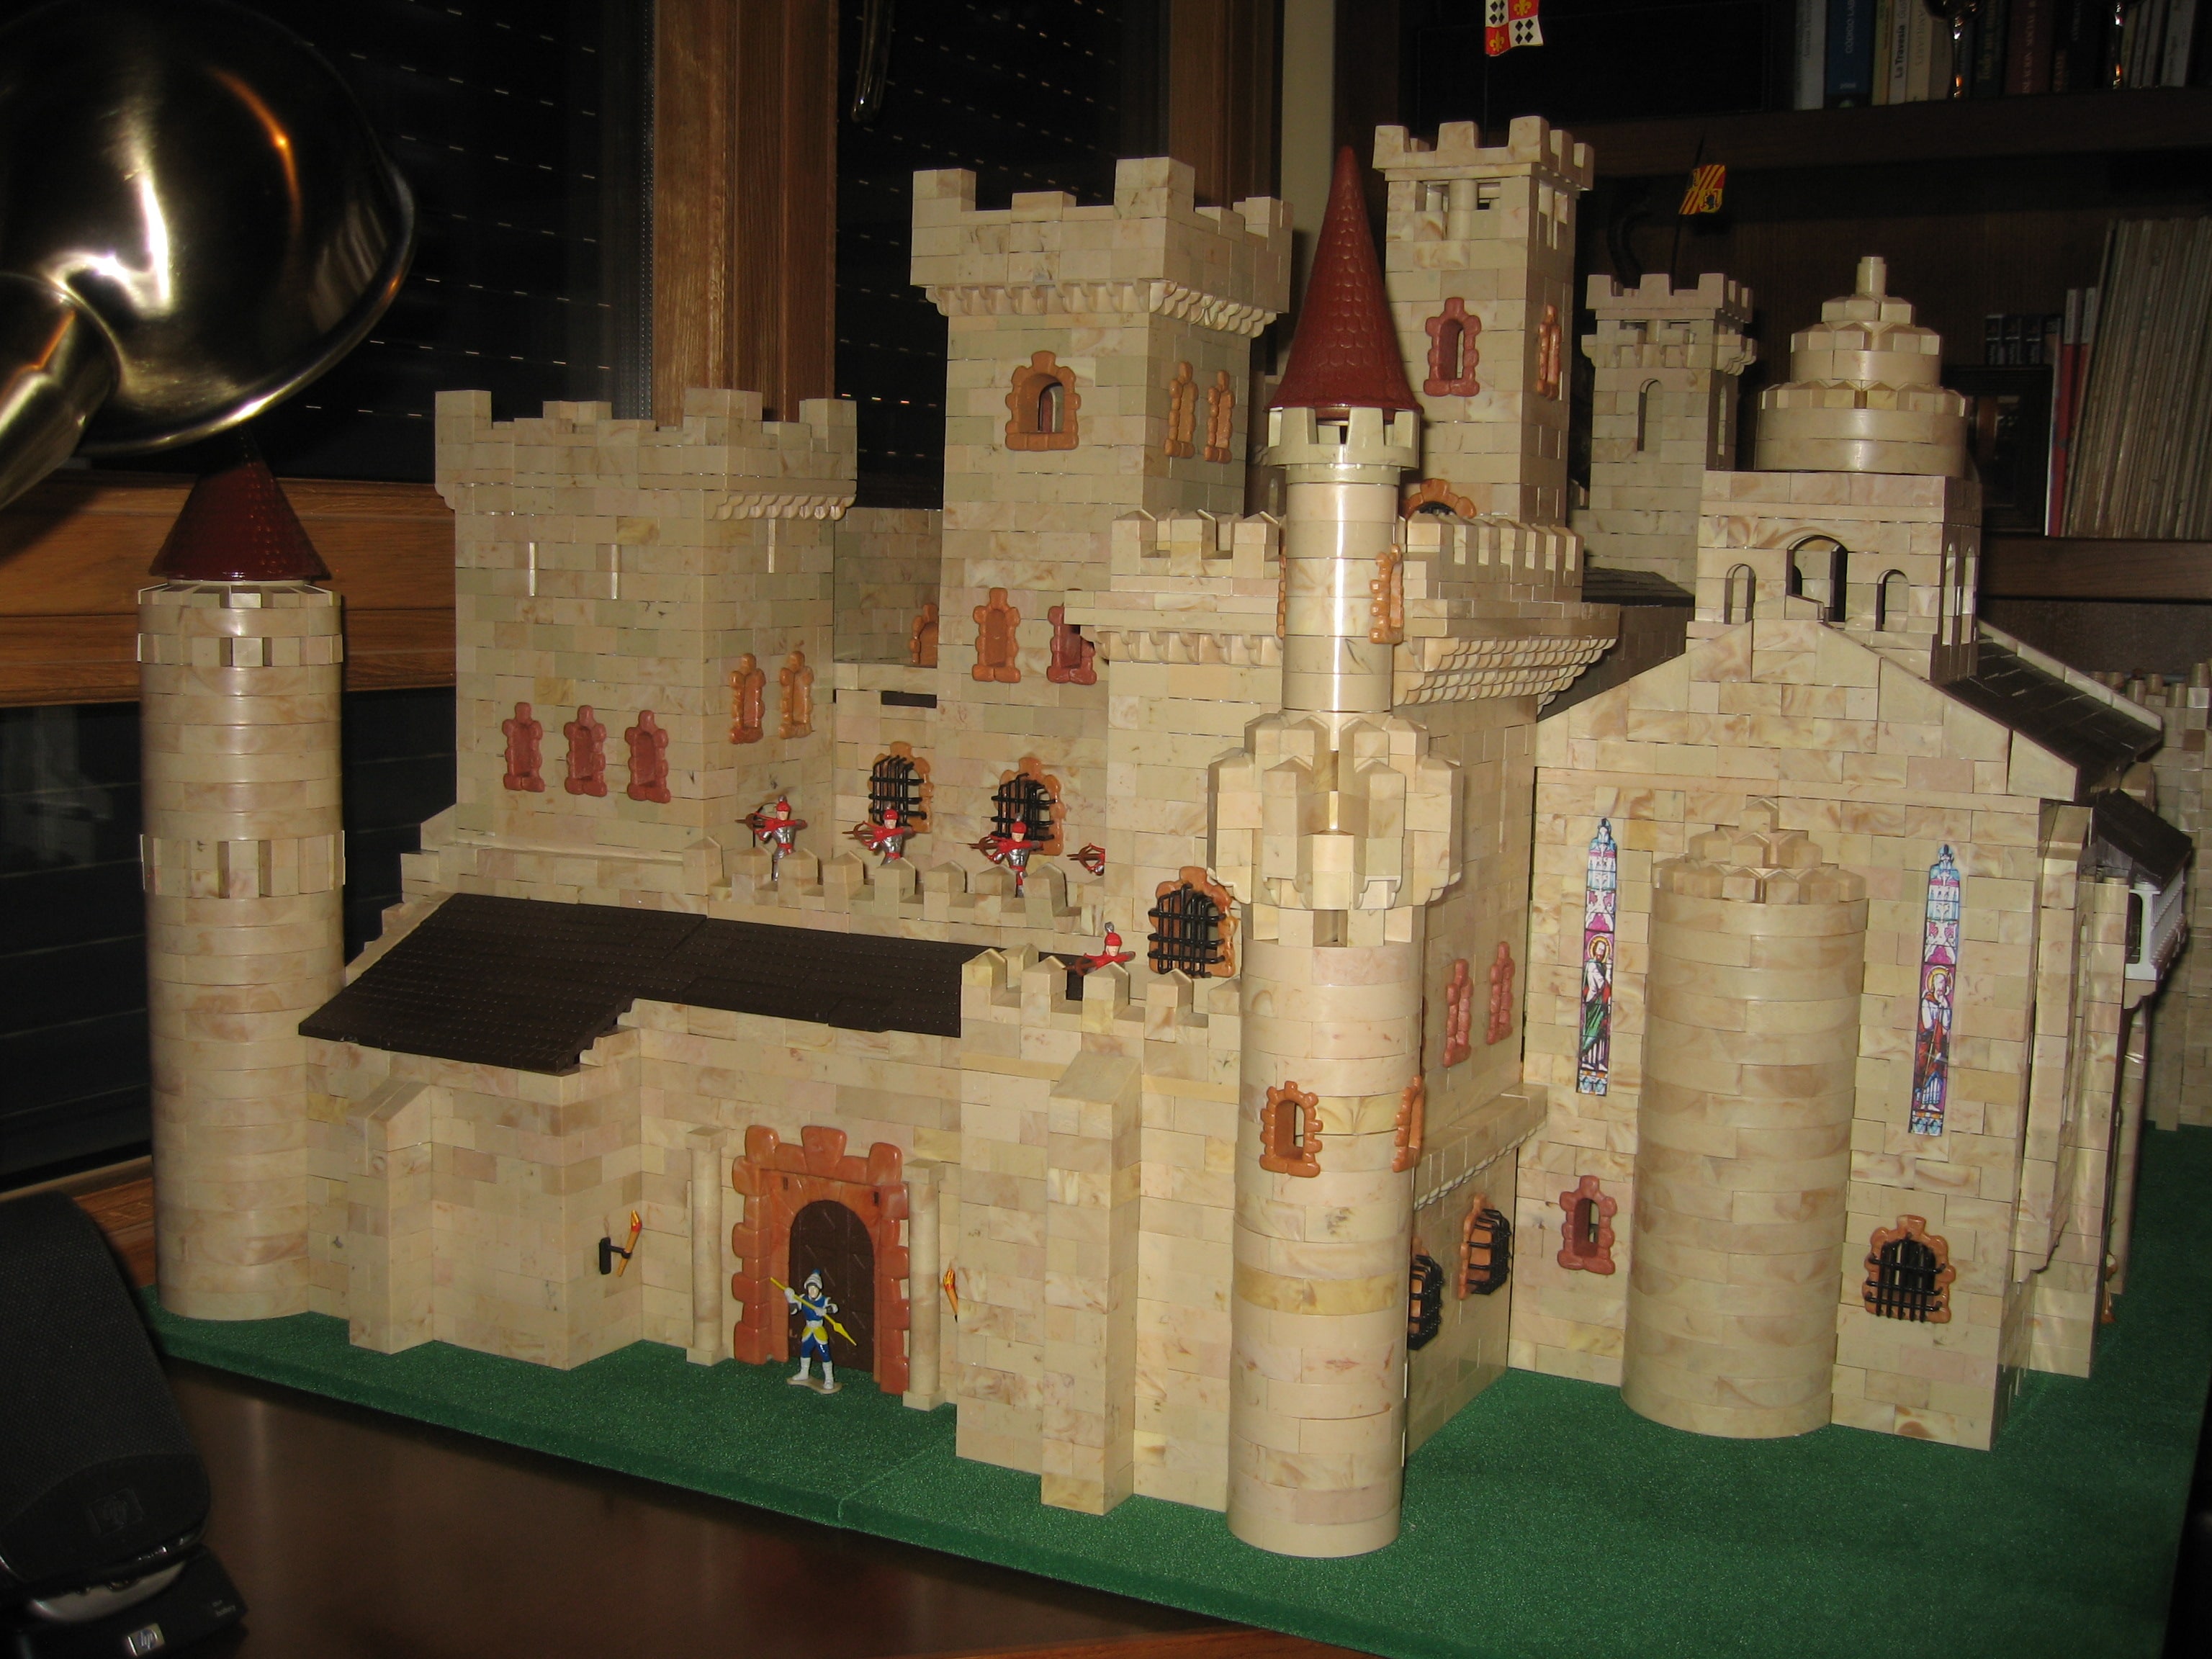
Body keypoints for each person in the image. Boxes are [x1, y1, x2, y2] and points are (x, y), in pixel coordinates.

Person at [784, 1270, 841, 1394]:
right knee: (805, 1351)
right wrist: (790, 1299)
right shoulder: (803, 1299)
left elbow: (835, 1308)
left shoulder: (824, 1300)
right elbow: (794, 1311)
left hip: (819, 1330)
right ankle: (804, 1373)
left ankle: (829, 1379)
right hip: (808, 1330)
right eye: (810, 1289)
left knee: (824, 1353)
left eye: (815, 1289)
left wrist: (825, 1310)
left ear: (819, 1289)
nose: (812, 1291)